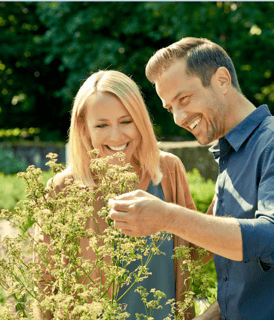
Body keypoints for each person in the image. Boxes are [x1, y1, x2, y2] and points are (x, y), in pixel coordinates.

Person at [108, 37, 274, 320]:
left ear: (222, 80)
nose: (178, 117)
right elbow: (244, 284)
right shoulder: (230, 157)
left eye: (183, 99)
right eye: (169, 108)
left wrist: (168, 217)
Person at [39, 70, 201, 320]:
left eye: (126, 122)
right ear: (84, 129)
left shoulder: (168, 171)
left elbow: (195, 249)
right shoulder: (61, 190)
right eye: (102, 125)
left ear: (141, 122)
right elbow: (45, 281)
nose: (116, 136)